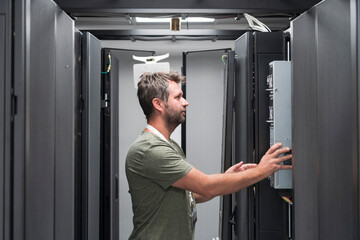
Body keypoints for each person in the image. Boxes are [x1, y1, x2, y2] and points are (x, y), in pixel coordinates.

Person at [125, 71, 292, 240]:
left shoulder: (169, 145)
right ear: (158, 104)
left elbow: (189, 196)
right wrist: (262, 171)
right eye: (178, 97)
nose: (185, 102)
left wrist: (227, 179)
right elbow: (206, 185)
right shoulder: (149, 149)